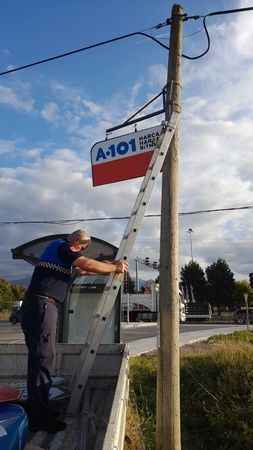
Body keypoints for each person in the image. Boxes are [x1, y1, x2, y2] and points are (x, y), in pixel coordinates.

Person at [21, 229, 128, 433]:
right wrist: (115, 268)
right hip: (43, 305)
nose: (80, 250)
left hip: (41, 306)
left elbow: (85, 270)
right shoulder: (61, 246)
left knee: (41, 358)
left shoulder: (63, 258)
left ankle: (39, 408)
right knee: (43, 358)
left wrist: (111, 267)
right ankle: (39, 418)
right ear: (77, 242)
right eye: (81, 247)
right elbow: (85, 263)